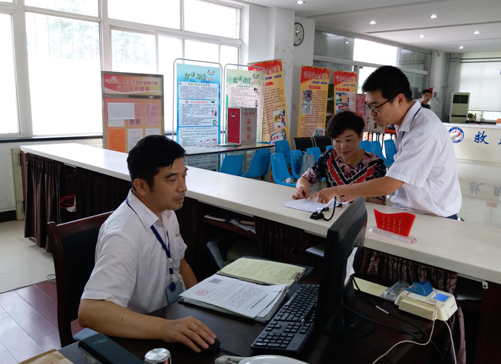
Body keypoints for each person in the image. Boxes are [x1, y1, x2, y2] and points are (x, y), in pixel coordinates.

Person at [79, 135, 216, 352]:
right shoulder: (122, 235)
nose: (183, 187)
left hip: (171, 316)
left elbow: (180, 264)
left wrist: (205, 307)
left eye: (184, 176)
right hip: (141, 335)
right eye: (172, 180)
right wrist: (166, 328)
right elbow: (90, 312)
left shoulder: (167, 210)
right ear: (141, 186)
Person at [311, 66, 462, 219]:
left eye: (376, 106)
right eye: (369, 106)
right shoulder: (408, 123)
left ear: (399, 99)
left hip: (432, 217)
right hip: (413, 211)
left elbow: (388, 185)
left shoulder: (424, 131)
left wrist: (337, 190)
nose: (371, 113)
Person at [292, 111, 386, 205]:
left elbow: (380, 201)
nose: (342, 146)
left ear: (360, 136)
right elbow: (305, 178)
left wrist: (361, 198)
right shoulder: (329, 158)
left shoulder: (375, 164)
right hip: (332, 214)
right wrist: (301, 188)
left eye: (348, 140)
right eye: (337, 140)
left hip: (362, 214)